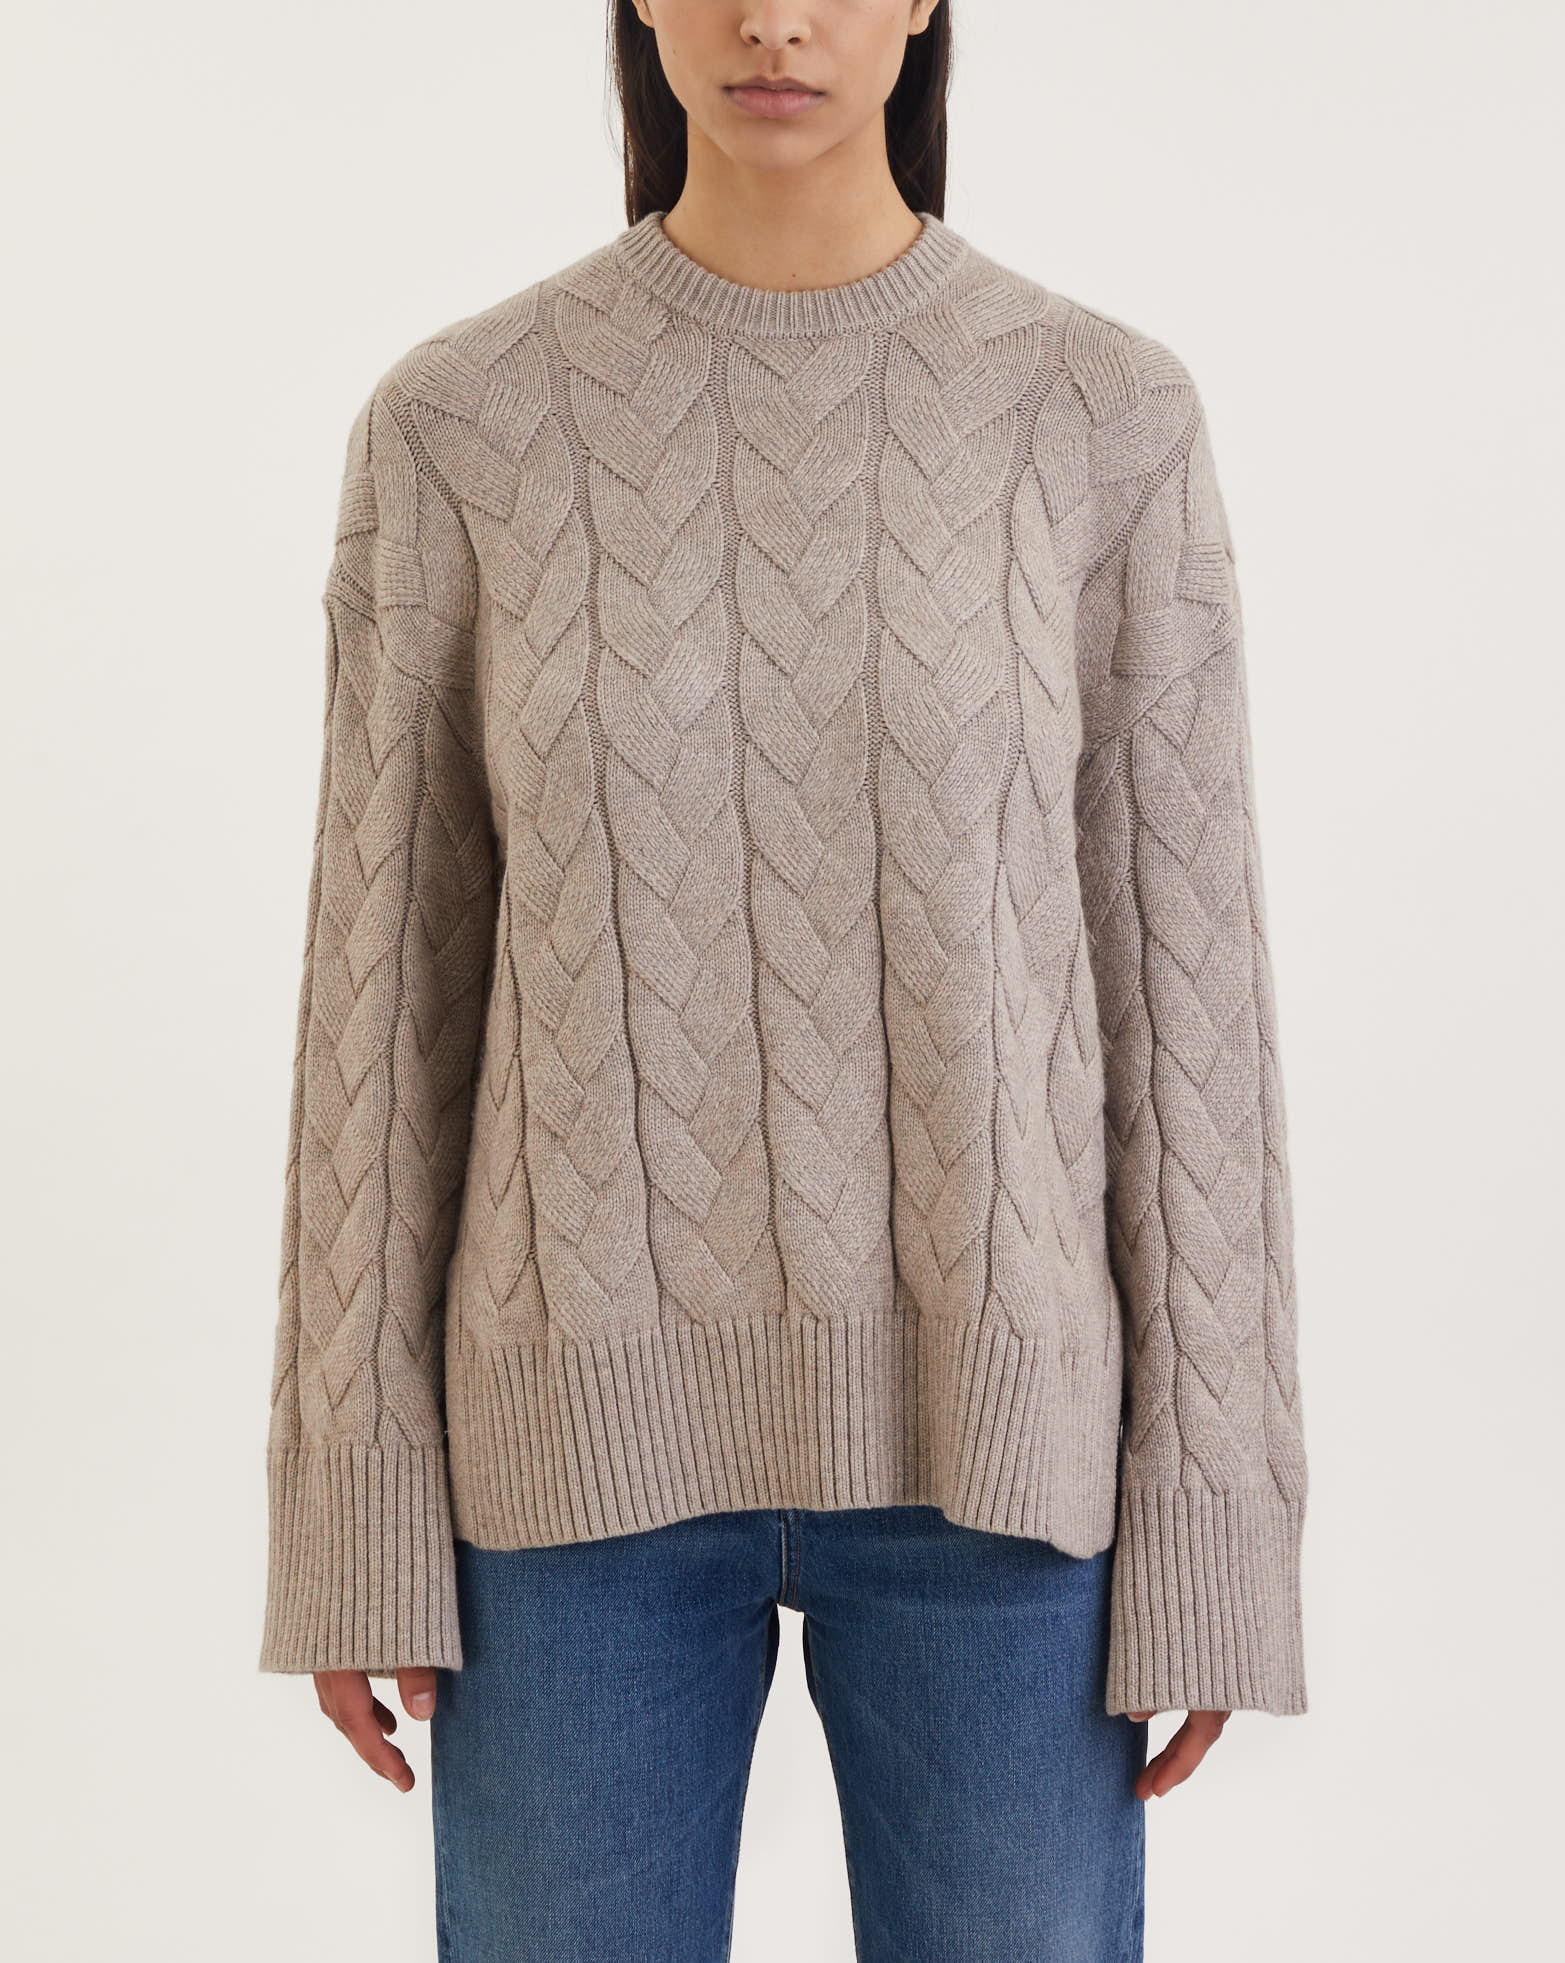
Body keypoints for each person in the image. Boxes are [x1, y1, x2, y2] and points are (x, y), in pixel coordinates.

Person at [257, 3, 1310, 1957]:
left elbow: (1189, 1013)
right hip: (567, 1467)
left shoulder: (1098, 414)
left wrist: (1215, 1519)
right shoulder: (461, 425)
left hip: (998, 1456)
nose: (772, 18)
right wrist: (352, 1507)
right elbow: (379, 999)